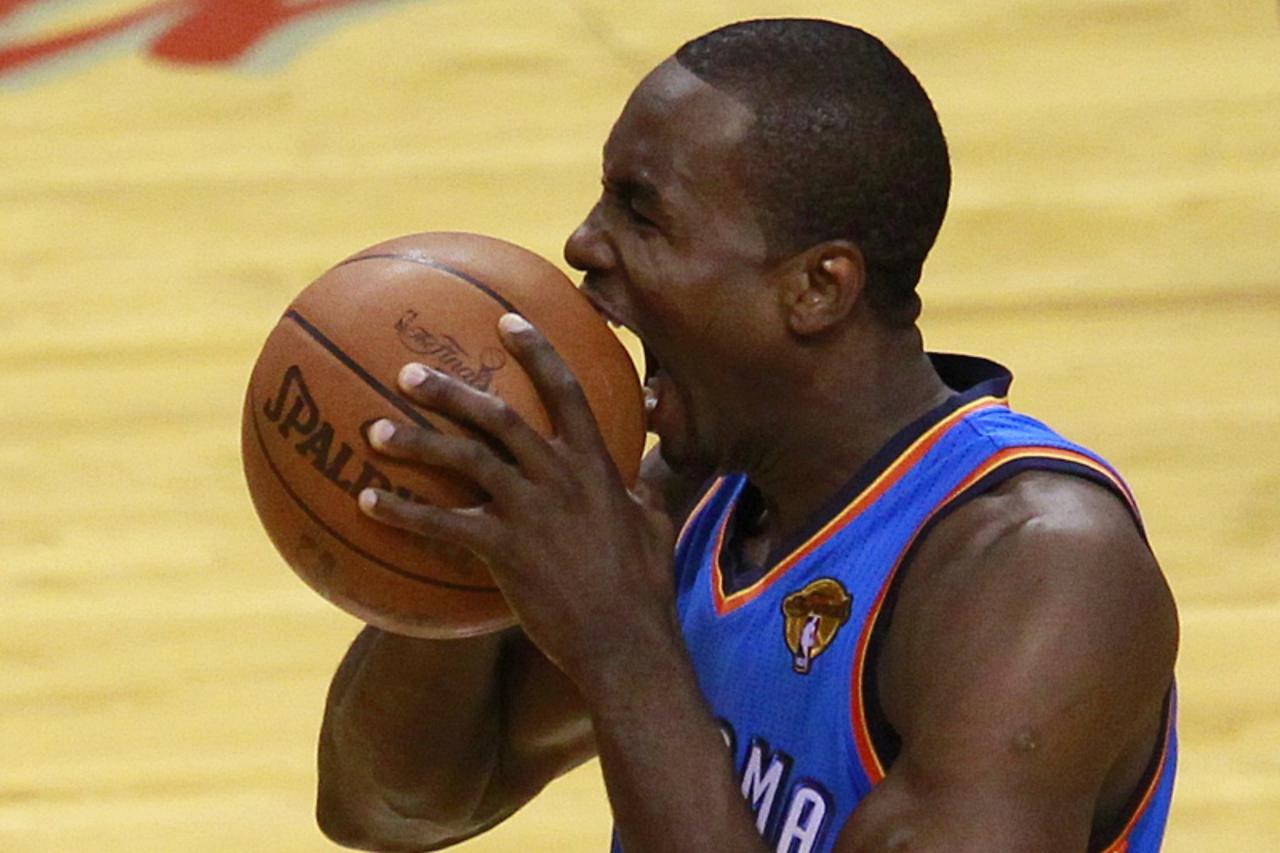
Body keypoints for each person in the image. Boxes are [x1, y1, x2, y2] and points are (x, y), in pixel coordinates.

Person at [315, 18, 1179, 853]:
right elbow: (388, 807)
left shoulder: (1041, 578)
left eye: (640, 214)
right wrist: (469, 534)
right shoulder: (698, 498)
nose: (583, 242)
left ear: (816, 287)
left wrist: (621, 641)